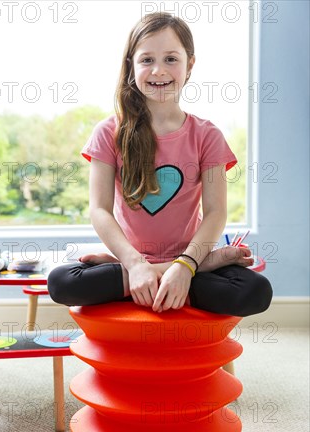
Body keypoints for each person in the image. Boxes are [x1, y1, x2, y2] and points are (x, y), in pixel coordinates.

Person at [48, 12, 272, 316]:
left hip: (187, 260)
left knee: (255, 292)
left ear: (190, 64)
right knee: (62, 282)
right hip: (133, 260)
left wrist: (185, 265)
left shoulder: (207, 135)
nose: (158, 70)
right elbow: (99, 210)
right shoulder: (108, 133)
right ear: (131, 66)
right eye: (146, 60)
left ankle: (160, 278)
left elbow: (216, 213)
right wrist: (134, 262)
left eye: (170, 59)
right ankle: (164, 275)